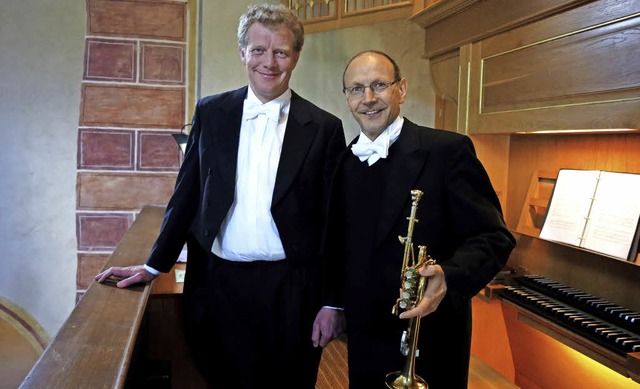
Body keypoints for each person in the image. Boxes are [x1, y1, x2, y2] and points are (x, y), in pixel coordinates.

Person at [95, 4, 346, 388]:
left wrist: (333, 302)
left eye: (281, 51)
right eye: (259, 50)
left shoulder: (325, 128)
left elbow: (335, 221)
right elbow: (187, 194)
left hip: (293, 290)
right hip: (219, 285)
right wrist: (153, 265)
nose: (269, 62)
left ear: (295, 56)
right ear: (242, 52)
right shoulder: (212, 112)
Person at [323, 50, 516, 389]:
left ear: (402, 89)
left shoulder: (447, 151)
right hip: (366, 338)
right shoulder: (344, 162)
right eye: (356, 89)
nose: (368, 99)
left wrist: (449, 275)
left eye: (379, 85)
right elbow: (340, 245)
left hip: (431, 335)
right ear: (347, 98)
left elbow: (493, 237)